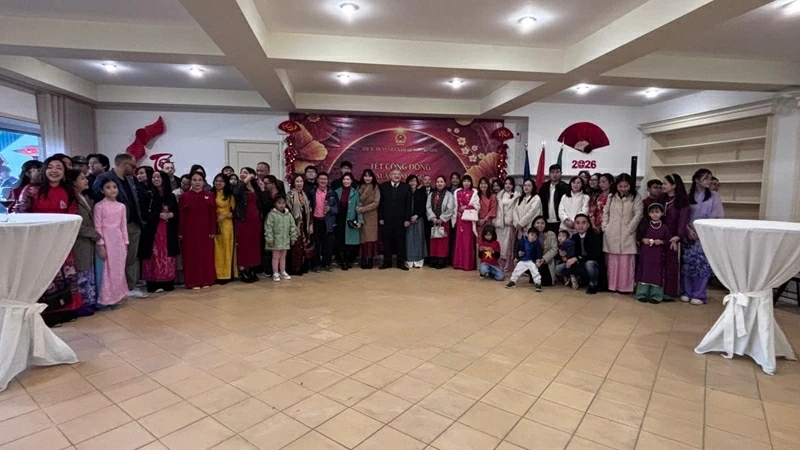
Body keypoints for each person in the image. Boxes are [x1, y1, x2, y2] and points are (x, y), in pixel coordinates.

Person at [17, 157, 85, 325]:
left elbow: (73, 216)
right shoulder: (31, 190)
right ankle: (45, 315)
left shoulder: (69, 191)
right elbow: (21, 214)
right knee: (44, 278)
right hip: (38, 243)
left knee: (66, 276)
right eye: (51, 167)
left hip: (62, 242)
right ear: (44, 170)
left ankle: (67, 311)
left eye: (59, 168)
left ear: (64, 172)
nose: (54, 171)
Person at [91, 153, 147, 299]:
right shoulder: (104, 178)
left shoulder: (129, 179)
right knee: (113, 262)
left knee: (131, 257)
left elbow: (134, 201)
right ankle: (114, 290)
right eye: (132, 165)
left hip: (132, 223)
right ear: (124, 164)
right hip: (111, 229)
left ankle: (130, 286)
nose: (134, 169)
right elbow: (97, 199)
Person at [682, 168, 724, 305]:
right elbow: (683, 215)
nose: (709, 181)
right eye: (706, 178)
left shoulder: (714, 196)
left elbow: (717, 216)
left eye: (710, 178)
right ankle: (687, 292)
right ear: (696, 180)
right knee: (687, 264)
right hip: (689, 234)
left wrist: (702, 231)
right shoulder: (688, 196)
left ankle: (699, 294)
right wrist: (687, 229)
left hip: (705, 235)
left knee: (701, 264)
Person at [602, 173, 643, 294]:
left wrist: (630, 228)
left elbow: (638, 214)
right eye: (620, 186)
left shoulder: (636, 197)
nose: (623, 189)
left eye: (626, 186)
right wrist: (605, 226)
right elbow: (605, 212)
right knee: (612, 262)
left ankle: (625, 287)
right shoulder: (611, 196)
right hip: (612, 232)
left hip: (628, 234)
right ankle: (612, 286)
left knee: (626, 262)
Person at [139, 170, 179, 293]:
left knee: (167, 255)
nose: (155, 179)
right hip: (153, 230)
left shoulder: (171, 196)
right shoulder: (148, 194)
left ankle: (168, 282)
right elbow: (143, 213)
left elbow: (177, 212)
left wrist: (171, 214)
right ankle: (153, 282)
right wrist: (158, 215)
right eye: (154, 177)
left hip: (168, 230)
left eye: (158, 177)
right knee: (153, 254)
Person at [94, 178, 130, 309]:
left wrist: (126, 242)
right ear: (102, 190)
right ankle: (106, 298)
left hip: (118, 241)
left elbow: (123, 226)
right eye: (108, 187)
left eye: (114, 187)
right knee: (107, 270)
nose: (112, 190)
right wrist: (101, 244)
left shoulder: (121, 206)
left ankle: (117, 296)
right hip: (106, 240)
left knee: (118, 269)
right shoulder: (99, 206)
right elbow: (97, 227)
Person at [67, 169, 99, 313]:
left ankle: (88, 301)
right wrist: (94, 234)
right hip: (79, 240)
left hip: (88, 240)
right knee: (81, 271)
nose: (86, 180)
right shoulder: (71, 199)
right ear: (73, 182)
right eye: (82, 178)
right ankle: (81, 304)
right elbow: (75, 223)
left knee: (87, 270)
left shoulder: (84, 196)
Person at [179, 171, 216, 289]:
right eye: (194, 180)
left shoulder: (209, 195)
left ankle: (206, 280)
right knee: (191, 256)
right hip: (189, 230)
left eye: (200, 180)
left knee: (206, 255)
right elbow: (181, 216)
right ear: (190, 181)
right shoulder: (184, 196)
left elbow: (212, 214)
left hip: (206, 230)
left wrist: (213, 230)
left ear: (204, 182)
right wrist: (180, 232)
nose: (197, 182)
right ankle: (192, 281)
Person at [659, 173, 690, 300]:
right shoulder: (661, 199)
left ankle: (670, 292)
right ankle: (658, 290)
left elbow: (683, 220)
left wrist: (678, 236)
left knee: (672, 265)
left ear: (674, 185)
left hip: (674, 238)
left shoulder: (681, 201)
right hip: (660, 236)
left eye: (665, 183)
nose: (662, 186)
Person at [557, 214, 603, 294]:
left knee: (589, 264)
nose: (580, 226)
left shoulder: (594, 236)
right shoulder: (574, 237)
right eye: (578, 223)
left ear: (588, 224)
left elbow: (595, 255)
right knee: (558, 269)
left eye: (583, 223)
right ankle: (578, 279)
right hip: (579, 264)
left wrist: (577, 258)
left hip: (592, 263)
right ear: (574, 225)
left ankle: (593, 284)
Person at [636, 203, 673, 303]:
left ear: (662, 213)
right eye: (652, 212)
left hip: (658, 255)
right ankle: (642, 294)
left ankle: (656, 295)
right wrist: (644, 240)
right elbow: (639, 237)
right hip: (646, 254)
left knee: (656, 274)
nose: (655, 214)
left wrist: (660, 242)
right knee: (644, 272)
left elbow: (668, 240)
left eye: (657, 212)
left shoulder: (664, 227)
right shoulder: (645, 226)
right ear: (649, 214)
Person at [234, 168, 265, 282]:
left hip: (256, 221)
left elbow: (264, 202)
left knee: (254, 245)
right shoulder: (239, 186)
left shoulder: (255, 187)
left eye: (246, 172)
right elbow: (236, 194)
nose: (243, 174)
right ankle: (243, 270)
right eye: (241, 172)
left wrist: (262, 189)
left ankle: (252, 268)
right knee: (243, 245)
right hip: (243, 220)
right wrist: (245, 180)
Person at [379, 168, 411, 270]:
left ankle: (400, 262)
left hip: (401, 220)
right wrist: (381, 217)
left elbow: (408, 204)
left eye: (398, 174)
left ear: (401, 176)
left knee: (400, 241)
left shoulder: (406, 187)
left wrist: (407, 219)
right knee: (386, 241)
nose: (396, 175)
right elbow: (381, 204)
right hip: (387, 219)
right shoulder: (383, 186)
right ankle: (387, 262)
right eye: (394, 174)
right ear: (390, 175)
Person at [334, 173, 364, 270]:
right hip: (339, 219)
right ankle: (342, 261)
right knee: (340, 240)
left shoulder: (355, 193)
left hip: (351, 219)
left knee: (351, 242)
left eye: (348, 179)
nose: (346, 181)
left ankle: (349, 260)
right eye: (344, 179)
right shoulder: (337, 191)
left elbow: (359, 207)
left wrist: (360, 221)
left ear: (351, 181)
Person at [309, 172, 338, 272]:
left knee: (328, 244)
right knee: (316, 244)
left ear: (328, 181)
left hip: (328, 221)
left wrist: (330, 209)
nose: (323, 181)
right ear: (317, 180)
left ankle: (326, 264)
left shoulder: (332, 193)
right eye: (321, 179)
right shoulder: (312, 192)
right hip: (316, 221)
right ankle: (316, 264)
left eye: (325, 179)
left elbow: (337, 208)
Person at [265, 195, 298, 281]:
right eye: (279, 203)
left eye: (283, 203)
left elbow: (292, 227)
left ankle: (283, 271)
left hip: (285, 240)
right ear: (275, 204)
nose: (281, 205)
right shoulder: (271, 215)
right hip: (275, 241)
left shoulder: (289, 215)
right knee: (275, 257)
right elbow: (268, 228)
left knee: (283, 257)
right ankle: (275, 272)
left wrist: (293, 237)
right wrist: (270, 239)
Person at [211, 173, 237, 284]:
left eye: (221, 181)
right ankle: (216, 275)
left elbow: (234, 212)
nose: (218, 183)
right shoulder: (210, 194)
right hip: (213, 224)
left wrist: (225, 216)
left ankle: (225, 275)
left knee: (226, 248)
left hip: (226, 224)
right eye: (216, 181)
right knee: (215, 250)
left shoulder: (230, 195)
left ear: (225, 183)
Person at [427, 175, 455, 269]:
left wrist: (441, 219)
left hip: (444, 222)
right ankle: (433, 259)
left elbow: (450, 208)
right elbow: (428, 207)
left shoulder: (449, 195)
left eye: (441, 182)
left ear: (445, 183)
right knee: (434, 241)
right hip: (434, 221)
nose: (439, 183)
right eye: (438, 182)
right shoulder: (431, 194)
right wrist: (433, 218)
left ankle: (442, 261)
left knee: (443, 242)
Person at [452, 174, 480, 271]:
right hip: (460, 220)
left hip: (469, 220)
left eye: (468, 181)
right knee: (459, 241)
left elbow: (477, 206)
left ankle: (467, 264)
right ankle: (459, 263)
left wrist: (467, 207)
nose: (466, 183)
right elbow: (454, 206)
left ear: (471, 182)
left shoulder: (474, 192)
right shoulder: (457, 192)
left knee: (467, 242)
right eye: (464, 181)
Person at [287, 173, 313, 275]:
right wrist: (295, 225)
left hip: (305, 224)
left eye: (301, 181)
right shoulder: (290, 195)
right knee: (296, 247)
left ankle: (302, 266)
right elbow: (288, 211)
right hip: (295, 224)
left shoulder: (305, 194)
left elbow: (309, 210)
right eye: (297, 181)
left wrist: (310, 224)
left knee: (304, 246)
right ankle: (295, 268)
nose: (299, 183)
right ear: (293, 183)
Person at [494, 177, 519, 273]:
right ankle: (499, 265)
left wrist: (514, 222)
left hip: (509, 224)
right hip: (500, 224)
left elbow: (516, 210)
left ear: (513, 185)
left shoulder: (516, 196)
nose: (508, 186)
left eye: (510, 184)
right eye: (506, 183)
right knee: (499, 245)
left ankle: (507, 267)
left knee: (508, 246)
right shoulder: (499, 195)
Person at [357, 169, 381, 269]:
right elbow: (356, 200)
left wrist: (363, 209)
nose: (367, 178)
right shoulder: (359, 187)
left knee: (370, 239)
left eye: (369, 176)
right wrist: (359, 209)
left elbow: (376, 203)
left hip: (371, 215)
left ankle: (370, 260)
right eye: (365, 176)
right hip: (360, 216)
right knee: (362, 239)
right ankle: (363, 259)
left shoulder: (375, 187)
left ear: (372, 177)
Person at [506, 226, 543, 291]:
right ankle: (513, 281)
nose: (533, 237)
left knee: (535, 271)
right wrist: (517, 257)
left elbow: (539, 252)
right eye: (532, 235)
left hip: (531, 261)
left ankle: (538, 283)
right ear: (527, 234)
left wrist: (538, 259)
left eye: (535, 236)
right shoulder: (521, 241)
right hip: (523, 260)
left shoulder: (537, 244)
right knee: (517, 270)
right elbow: (516, 250)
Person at [539, 164, 570, 233]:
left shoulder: (565, 187)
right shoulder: (544, 187)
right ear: (549, 174)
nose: (555, 174)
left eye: (557, 172)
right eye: (552, 172)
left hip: (560, 221)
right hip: (546, 220)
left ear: (561, 173)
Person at [405, 175, 427, 268]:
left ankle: (418, 261)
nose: (412, 183)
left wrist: (417, 215)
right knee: (408, 240)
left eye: (414, 181)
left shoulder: (421, 193)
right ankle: (409, 260)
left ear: (417, 182)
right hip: (407, 220)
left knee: (419, 239)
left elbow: (424, 206)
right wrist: (407, 217)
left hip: (418, 219)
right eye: (410, 181)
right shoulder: (405, 192)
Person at [532, 216, 558, 286]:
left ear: (545, 224)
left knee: (546, 283)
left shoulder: (551, 234)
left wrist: (544, 259)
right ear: (534, 224)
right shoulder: (530, 234)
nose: (540, 225)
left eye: (542, 223)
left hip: (546, 261)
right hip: (534, 260)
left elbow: (554, 249)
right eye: (537, 223)